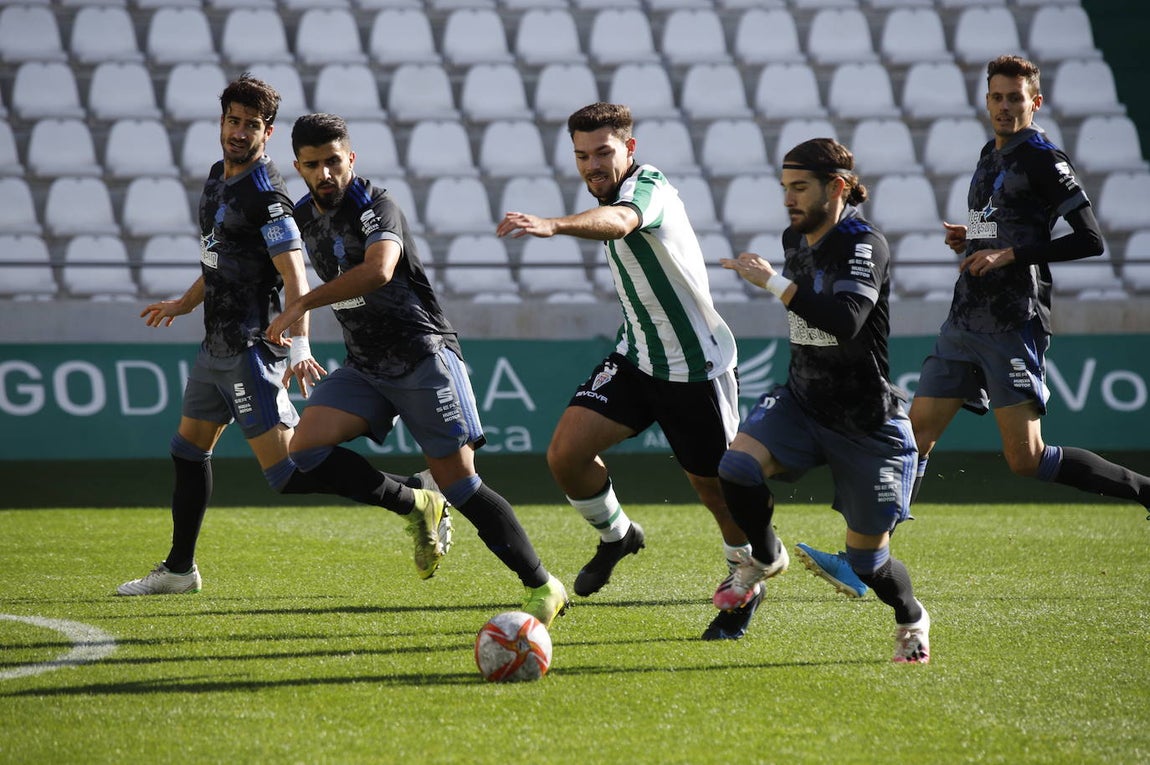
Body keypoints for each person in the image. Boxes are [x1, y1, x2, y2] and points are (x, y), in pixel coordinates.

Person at [800, 55, 1149, 599]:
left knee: (1025, 460)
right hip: (965, 316)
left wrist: (1010, 254)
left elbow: (1089, 239)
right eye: (996, 97)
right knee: (912, 437)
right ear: (986, 101)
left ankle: (1145, 491)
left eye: (1015, 98)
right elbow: (1003, 220)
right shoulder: (991, 152)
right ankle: (862, 561)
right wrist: (975, 236)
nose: (1005, 107)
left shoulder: (1042, 158)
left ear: (1036, 102)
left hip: (1013, 322)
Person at [117, 77, 450, 597]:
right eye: (234, 120)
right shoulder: (216, 179)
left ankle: (415, 497)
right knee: (187, 450)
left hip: (253, 346)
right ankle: (180, 569)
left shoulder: (268, 197)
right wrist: (185, 302)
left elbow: (296, 279)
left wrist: (299, 346)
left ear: (266, 133)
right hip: (215, 345)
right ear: (221, 121)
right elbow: (221, 257)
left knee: (290, 472)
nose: (240, 132)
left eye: (252, 125)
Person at [260, 112, 568, 627]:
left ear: (350, 159)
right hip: (366, 364)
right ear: (299, 167)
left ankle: (544, 585)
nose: (325, 174)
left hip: (422, 355)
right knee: (305, 449)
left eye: (334, 161)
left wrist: (300, 306)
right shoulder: (304, 216)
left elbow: (379, 270)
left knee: (463, 485)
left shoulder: (377, 205)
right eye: (313, 165)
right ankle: (416, 504)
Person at [496, 102, 757, 641]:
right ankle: (618, 536)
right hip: (637, 356)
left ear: (629, 149)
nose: (592, 165)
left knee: (716, 494)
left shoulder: (649, 188)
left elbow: (621, 223)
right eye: (582, 156)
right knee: (565, 455)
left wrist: (554, 225)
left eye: (604, 152)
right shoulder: (606, 191)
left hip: (692, 369)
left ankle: (744, 587)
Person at [712, 138, 930, 663]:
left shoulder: (864, 243)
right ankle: (763, 559)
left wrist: (774, 283)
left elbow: (845, 321)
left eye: (800, 188)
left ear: (836, 187)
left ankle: (912, 619)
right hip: (803, 401)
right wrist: (779, 279)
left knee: (867, 564)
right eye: (785, 188)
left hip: (866, 421)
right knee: (736, 467)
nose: (789, 199)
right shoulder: (795, 237)